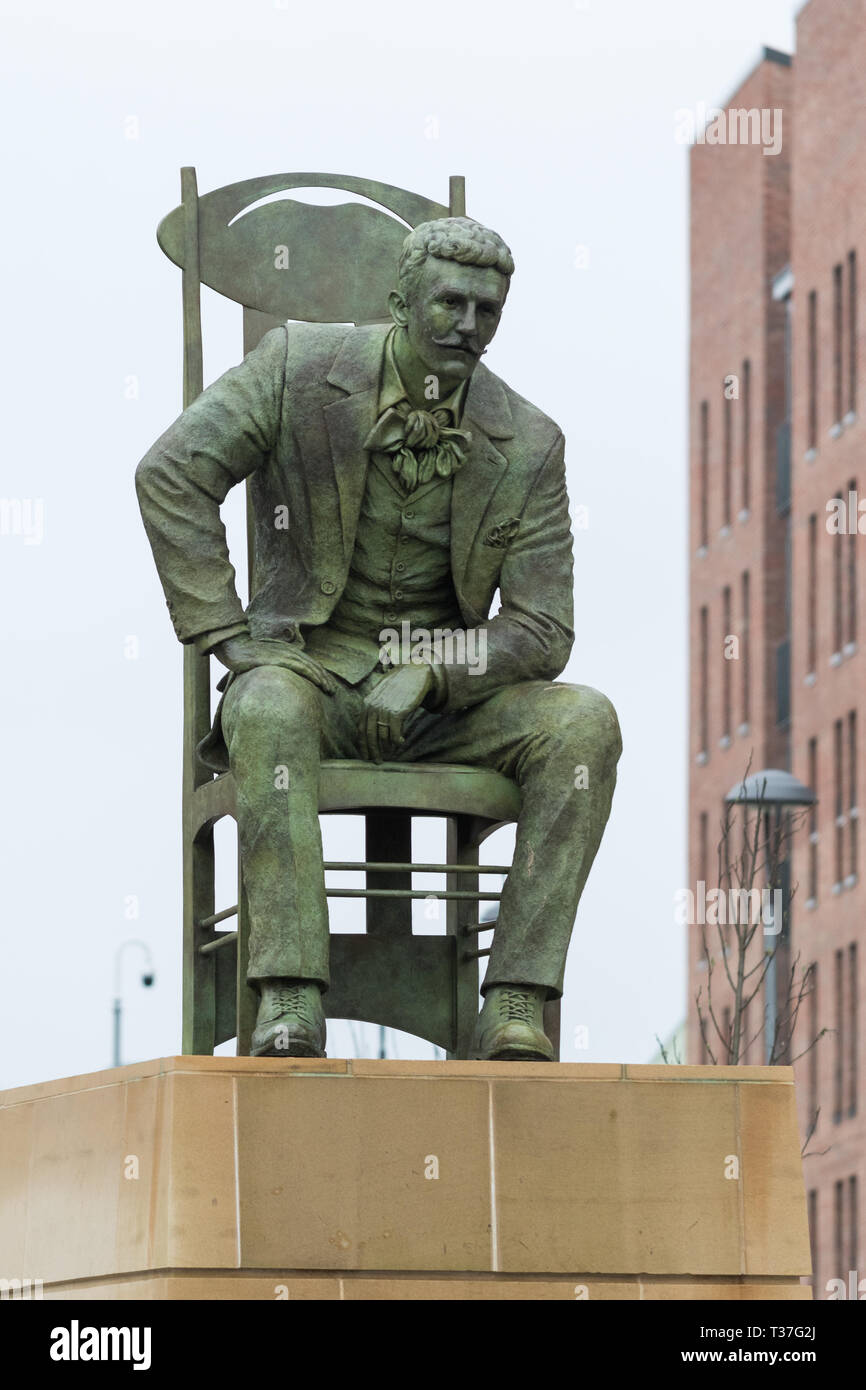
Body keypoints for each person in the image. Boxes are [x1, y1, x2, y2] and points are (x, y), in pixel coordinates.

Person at [136, 216, 621, 1061]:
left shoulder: (531, 442)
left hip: (447, 710)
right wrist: (227, 634)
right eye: (450, 302)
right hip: (310, 677)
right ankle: (288, 997)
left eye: (487, 310)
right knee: (266, 711)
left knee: (584, 723)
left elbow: (544, 627)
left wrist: (435, 673)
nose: (469, 325)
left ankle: (515, 999)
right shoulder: (297, 369)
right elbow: (173, 472)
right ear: (399, 301)